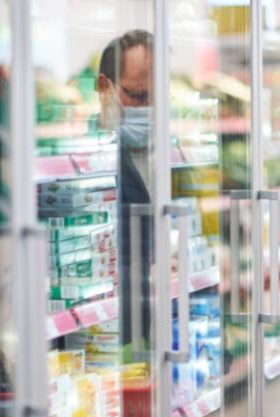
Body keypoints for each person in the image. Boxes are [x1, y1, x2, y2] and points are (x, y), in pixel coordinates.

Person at [98, 30, 154, 351]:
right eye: (138, 97)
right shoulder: (90, 161)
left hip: (162, 333)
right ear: (104, 88)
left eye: (160, 97)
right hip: (112, 337)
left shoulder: (173, 152)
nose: (150, 110)